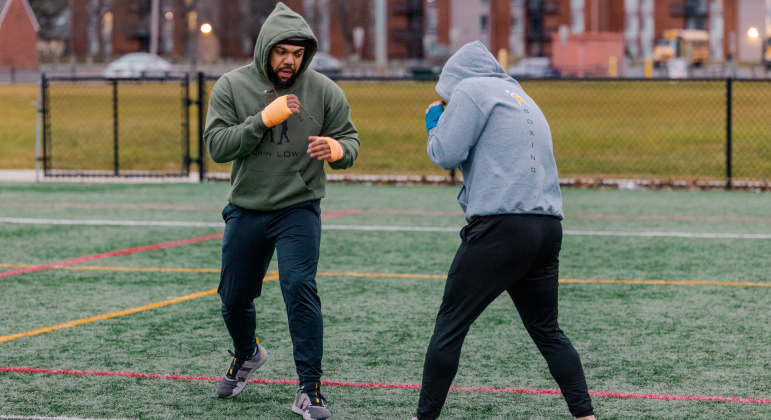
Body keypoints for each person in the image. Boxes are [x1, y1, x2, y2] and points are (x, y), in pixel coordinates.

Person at [412, 41, 596, 420]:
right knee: (548, 331)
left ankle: (424, 418)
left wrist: (435, 122)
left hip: (502, 228)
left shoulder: (468, 89)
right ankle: (586, 416)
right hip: (547, 228)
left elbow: (444, 153)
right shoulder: (521, 96)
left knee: (449, 327)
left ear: (453, 79)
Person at [203, 3, 359, 419]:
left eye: (297, 52)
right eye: (281, 51)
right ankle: (247, 354)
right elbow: (217, 146)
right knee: (234, 299)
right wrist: (262, 120)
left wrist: (338, 149)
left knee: (298, 287)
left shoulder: (324, 90)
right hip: (247, 207)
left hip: (298, 207)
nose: (290, 60)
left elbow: (350, 140)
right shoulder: (231, 86)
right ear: (265, 49)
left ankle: (310, 390)